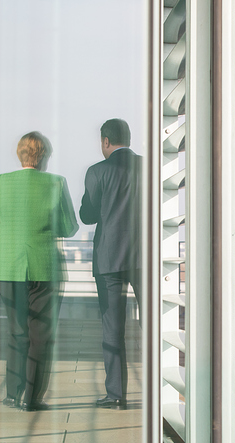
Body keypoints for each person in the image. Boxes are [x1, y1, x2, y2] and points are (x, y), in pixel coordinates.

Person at [0, 131, 78, 411]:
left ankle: (12, 394)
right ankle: (32, 398)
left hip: (8, 267)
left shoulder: (3, 181)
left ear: (20, 155)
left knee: (17, 332)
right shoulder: (56, 183)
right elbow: (69, 227)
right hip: (43, 267)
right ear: (45, 157)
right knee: (41, 335)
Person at [80, 118, 141, 410]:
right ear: (128, 138)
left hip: (108, 260)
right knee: (156, 326)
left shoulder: (97, 172)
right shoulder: (150, 168)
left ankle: (116, 395)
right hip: (145, 258)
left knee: (113, 330)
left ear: (106, 141)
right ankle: (161, 389)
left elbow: (87, 215)